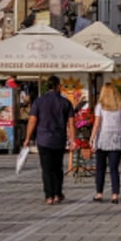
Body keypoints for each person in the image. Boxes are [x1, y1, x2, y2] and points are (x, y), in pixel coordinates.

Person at [24, 76, 74, 205]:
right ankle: (57, 194)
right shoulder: (65, 102)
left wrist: (27, 138)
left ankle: (49, 196)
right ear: (58, 86)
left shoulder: (39, 102)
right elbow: (71, 123)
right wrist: (73, 139)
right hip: (59, 139)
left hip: (43, 139)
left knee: (46, 169)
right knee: (57, 167)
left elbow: (32, 121)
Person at [89, 83, 121, 203]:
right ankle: (115, 194)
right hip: (116, 138)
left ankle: (99, 193)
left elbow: (97, 124)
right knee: (114, 168)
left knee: (100, 168)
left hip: (102, 138)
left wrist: (92, 137)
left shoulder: (100, 106)